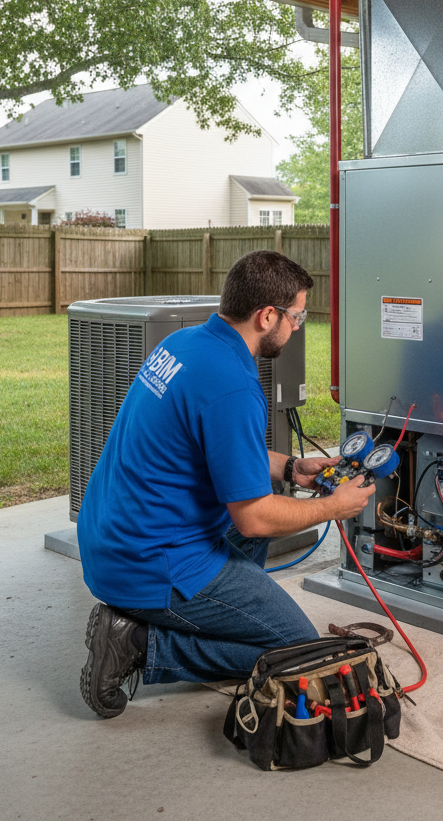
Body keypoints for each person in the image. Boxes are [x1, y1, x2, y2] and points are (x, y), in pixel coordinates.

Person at [76, 250, 375, 718]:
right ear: (267, 315)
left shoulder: (185, 344)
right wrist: (334, 508)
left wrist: (291, 468)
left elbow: (214, 451)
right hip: (149, 563)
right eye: (296, 317)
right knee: (297, 651)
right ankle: (140, 643)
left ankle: (208, 610)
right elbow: (254, 519)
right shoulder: (232, 386)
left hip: (111, 537)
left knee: (252, 537)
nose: (298, 327)